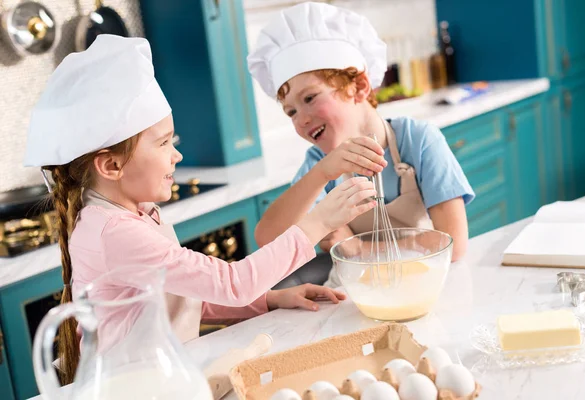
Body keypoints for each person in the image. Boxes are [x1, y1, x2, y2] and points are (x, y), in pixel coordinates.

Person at [23, 34, 377, 384]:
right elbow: (233, 284)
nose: (176, 155)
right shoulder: (114, 232)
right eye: (163, 143)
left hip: (163, 377)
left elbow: (183, 299)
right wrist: (318, 222)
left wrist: (269, 300)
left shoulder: (135, 213)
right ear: (112, 167)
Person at [247, 2, 475, 288]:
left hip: (423, 285)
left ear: (360, 87)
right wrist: (321, 174)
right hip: (355, 292)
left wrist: (359, 248)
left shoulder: (418, 140)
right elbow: (268, 239)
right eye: (290, 112)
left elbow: (454, 244)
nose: (301, 119)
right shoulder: (319, 164)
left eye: (310, 98)